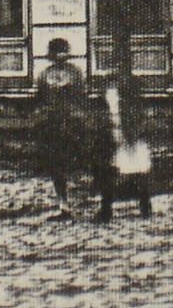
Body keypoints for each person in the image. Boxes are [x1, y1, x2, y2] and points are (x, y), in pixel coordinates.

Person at [29, 38, 94, 213]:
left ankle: (83, 196)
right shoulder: (44, 75)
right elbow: (40, 99)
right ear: (51, 55)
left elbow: (82, 98)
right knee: (55, 163)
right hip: (53, 123)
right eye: (56, 52)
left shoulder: (76, 73)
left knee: (80, 160)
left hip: (73, 122)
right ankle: (63, 202)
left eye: (62, 52)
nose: (60, 56)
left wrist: (83, 118)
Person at [95, 72, 154, 223]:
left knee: (139, 169)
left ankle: (145, 207)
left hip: (130, 134)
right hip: (112, 134)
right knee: (109, 171)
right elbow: (104, 115)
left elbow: (138, 114)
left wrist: (132, 131)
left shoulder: (130, 95)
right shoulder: (105, 96)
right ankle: (106, 210)